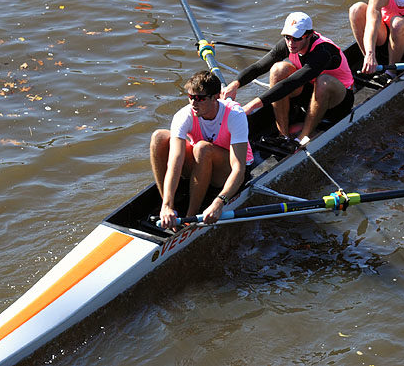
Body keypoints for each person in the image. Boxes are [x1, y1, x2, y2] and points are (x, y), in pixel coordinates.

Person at [222, 12, 355, 143]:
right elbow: (259, 67)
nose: (291, 42)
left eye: (296, 38)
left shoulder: (323, 51)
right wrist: (235, 84)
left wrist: (251, 106)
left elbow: (291, 83)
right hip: (312, 92)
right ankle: (283, 136)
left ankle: (302, 138)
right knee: (278, 70)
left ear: (309, 35)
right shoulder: (288, 44)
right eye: (287, 37)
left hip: (339, 102)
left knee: (323, 81)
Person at [149, 70, 252, 229]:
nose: (193, 103)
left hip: (227, 171)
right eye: (190, 97)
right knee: (159, 137)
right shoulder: (184, 115)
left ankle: (191, 218)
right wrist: (167, 205)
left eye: (199, 98)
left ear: (215, 97)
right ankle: (169, 208)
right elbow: (175, 162)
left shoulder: (235, 115)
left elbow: (239, 169)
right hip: (202, 164)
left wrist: (219, 203)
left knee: (202, 148)